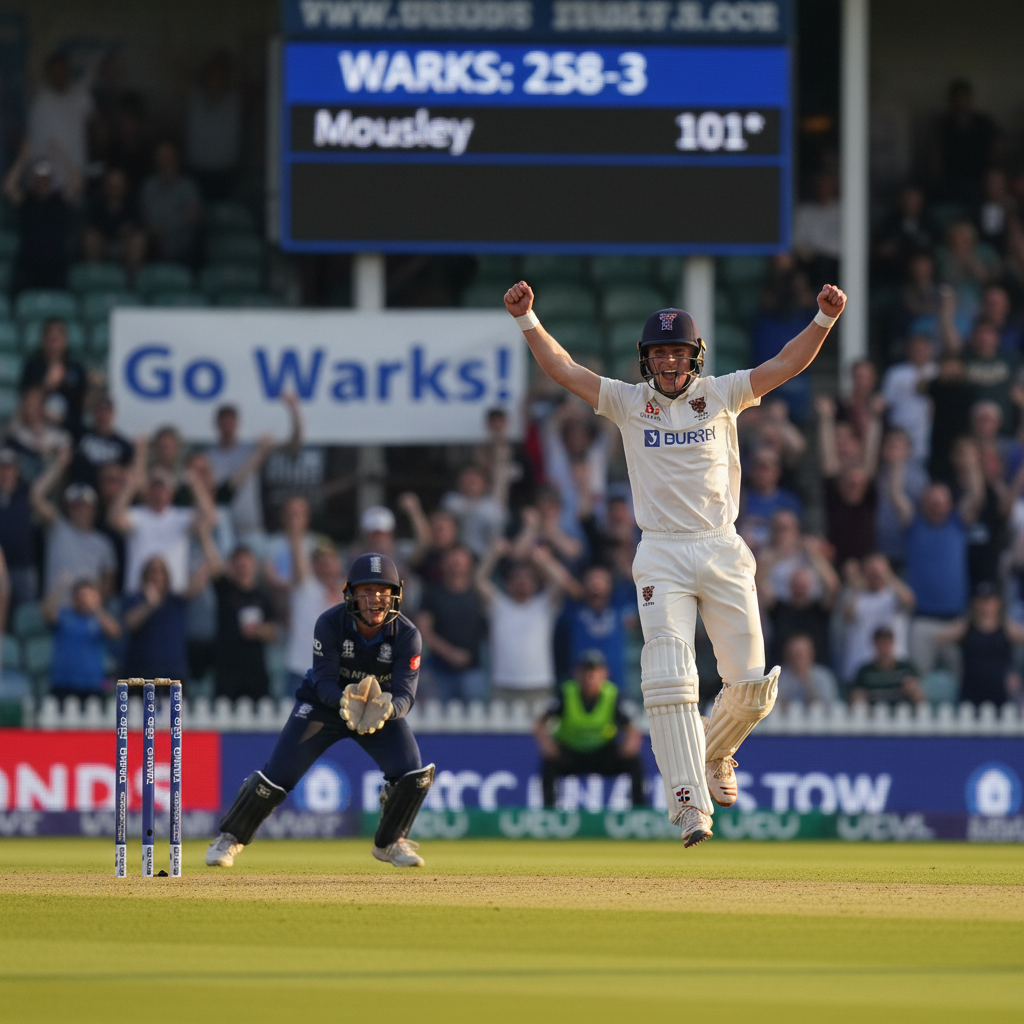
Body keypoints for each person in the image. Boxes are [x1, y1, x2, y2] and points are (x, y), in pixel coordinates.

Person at [504, 276, 847, 846]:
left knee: (754, 687)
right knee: (668, 675)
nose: (668, 362)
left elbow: (787, 364)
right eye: (659, 353)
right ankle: (688, 804)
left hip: (721, 544)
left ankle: (717, 756)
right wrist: (527, 320)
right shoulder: (627, 402)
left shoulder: (722, 393)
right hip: (660, 551)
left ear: (695, 358)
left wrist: (824, 320)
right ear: (646, 359)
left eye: (678, 353)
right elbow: (564, 369)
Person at [205, 553, 434, 869]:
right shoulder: (329, 623)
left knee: (413, 774)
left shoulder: (407, 635)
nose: (375, 599)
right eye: (366, 591)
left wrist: (386, 710)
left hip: (376, 711)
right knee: (278, 776)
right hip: (323, 706)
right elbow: (324, 681)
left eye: (383, 591)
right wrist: (348, 702)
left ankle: (391, 843)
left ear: (395, 594)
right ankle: (229, 838)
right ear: (350, 593)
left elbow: (405, 695)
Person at [535, 649, 646, 809]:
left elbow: (631, 727)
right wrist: (547, 745)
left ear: (604, 674)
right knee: (549, 764)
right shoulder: (566, 693)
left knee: (634, 762)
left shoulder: (613, 695)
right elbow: (540, 723)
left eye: (594, 672)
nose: (589, 678)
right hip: (571, 752)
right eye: (585, 672)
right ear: (577, 673)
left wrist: (630, 745)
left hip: (602, 752)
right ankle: (549, 812)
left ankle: (639, 811)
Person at [31, 447, 116, 606]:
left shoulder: (104, 543)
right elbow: (36, 496)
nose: (80, 510)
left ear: (94, 510)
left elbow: (108, 583)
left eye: (85, 506)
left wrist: (95, 606)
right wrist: (59, 464)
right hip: (56, 611)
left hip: (87, 615)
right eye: (75, 506)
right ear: (68, 509)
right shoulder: (57, 528)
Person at [416, 544, 488, 702]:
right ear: (443, 563)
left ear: (469, 563)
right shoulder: (432, 593)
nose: (456, 563)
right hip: (439, 671)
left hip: (474, 670)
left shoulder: (479, 593)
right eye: (451, 559)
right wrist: (451, 654)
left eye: (460, 559)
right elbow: (423, 630)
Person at [932, 583, 1024, 706]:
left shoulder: (1007, 628)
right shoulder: (966, 627)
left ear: (998, 603)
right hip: (971, 689)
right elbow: (937, 638)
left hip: (999, 691)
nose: (986, 605)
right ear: (975, 602)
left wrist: (1015, 670)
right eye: (982, 601)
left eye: (990, 600)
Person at [123, 554, 210, 682]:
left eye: (161, 571)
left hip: (173, 673)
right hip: (141, 674)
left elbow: (197, 586)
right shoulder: (135, 598)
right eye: (153, 571)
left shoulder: (175, 600)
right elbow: (130, 624)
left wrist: (204, 567)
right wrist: (150, 605)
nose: (156, 576)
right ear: (145, 575)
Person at [207, 545, 278, 701]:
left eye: (246, 565)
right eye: (238, 565)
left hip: (255, 671)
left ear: (254, 566)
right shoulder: (225, 590)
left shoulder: (262, 596)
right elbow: (213, 566)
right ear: (231, 567)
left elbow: (273, 631)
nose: (243, 569)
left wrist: (258, 631)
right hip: (227, 671)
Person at [42, 578, 121, 702]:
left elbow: (115, 632)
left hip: (92, 685)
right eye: (81, 595)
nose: (84, 599)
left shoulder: (100, 620)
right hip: (63, 684)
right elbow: (47, 614)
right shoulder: (64, 615)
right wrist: (60, 588)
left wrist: (96, 609)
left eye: (88, 595)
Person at [19, 319, 89, 437]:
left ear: (65, 340)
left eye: (57, 339)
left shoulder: (76, 368)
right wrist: (47, 385)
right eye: (51, 339)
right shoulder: (33, 367)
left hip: (69, 429)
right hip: (37, 428)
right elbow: (26, 402)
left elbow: (81, 405)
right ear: (43, 340)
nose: (54, 344)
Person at [140, 140, 202, 263]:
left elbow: (194, 216)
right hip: (154, 246)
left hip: (183, 247)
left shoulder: (187, 186)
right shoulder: (149, 186)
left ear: (176, 159)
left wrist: (167, 228)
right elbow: (148, 216)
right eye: (162, 157)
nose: (166, 161)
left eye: (169, 157)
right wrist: (158, 230)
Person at [849, 626, 926, 707]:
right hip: (873, 716)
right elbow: (855, 697)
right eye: (880, 642)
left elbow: (921, 700)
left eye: (887, 642)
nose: (883, 646)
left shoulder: (907, 669)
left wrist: (912, 690)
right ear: (874, 644)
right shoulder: (864, 671)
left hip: (902, 715)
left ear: (893, 643)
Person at [776, 633, 838, 709]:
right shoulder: (779, 676)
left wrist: (808, 682)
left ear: (811, 653)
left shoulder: (824, 676)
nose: (797, 658)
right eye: (793, 653)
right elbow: (774, 705)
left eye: (801, 653)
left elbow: (831, 706)